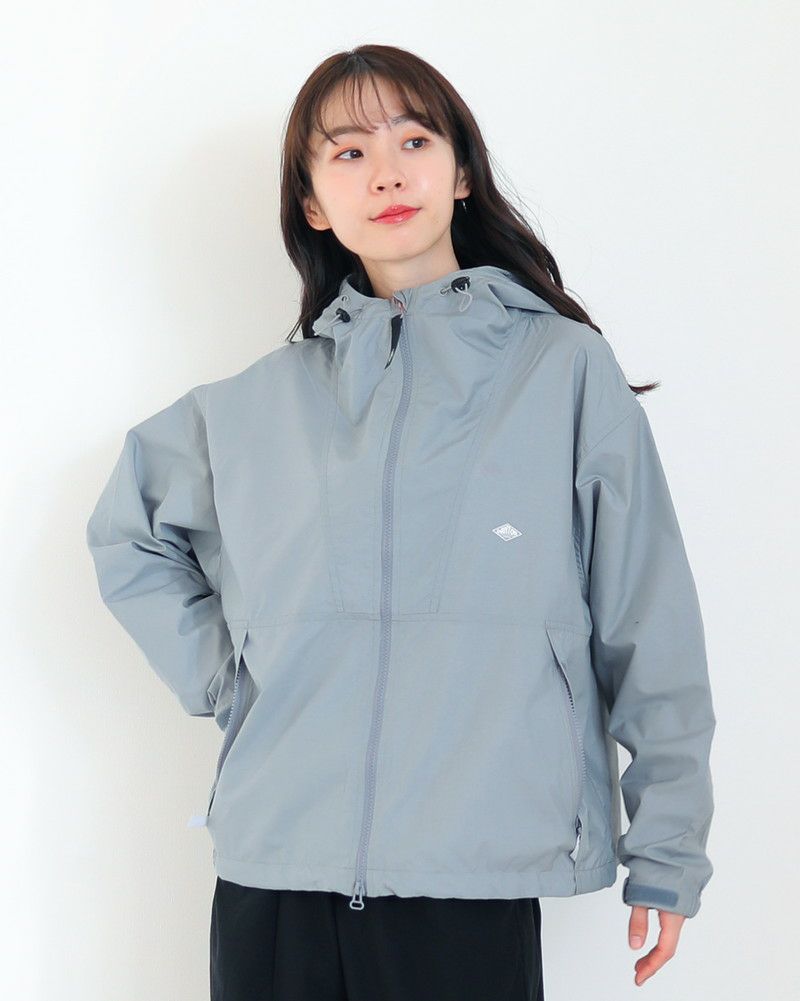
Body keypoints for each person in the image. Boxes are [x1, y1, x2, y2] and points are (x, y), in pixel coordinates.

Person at [85, 44, 716, 1000]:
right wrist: (232, 674)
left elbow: (648, 617)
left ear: (461, 173)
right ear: (312, 203)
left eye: (413, 140)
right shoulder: (252, 406)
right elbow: (126, 530)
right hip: (275, 872)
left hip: (471, 877)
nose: (385, 172)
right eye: (347, 153)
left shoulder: (562, 374)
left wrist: (668, 847)